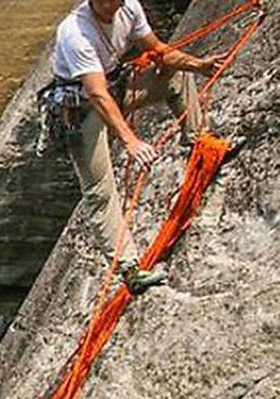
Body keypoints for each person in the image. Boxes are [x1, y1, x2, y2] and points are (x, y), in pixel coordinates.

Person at [39, 0, 225, 293]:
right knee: (99, 189)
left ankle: (199, 141)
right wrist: (130, 140)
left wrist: (197, 64)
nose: (113, 4)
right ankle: (129, 268)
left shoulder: (129, 9)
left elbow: (158, 51)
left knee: (175, 74)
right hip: (82, 107)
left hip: (116, 88)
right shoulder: (75, 31)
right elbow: (97, 94)